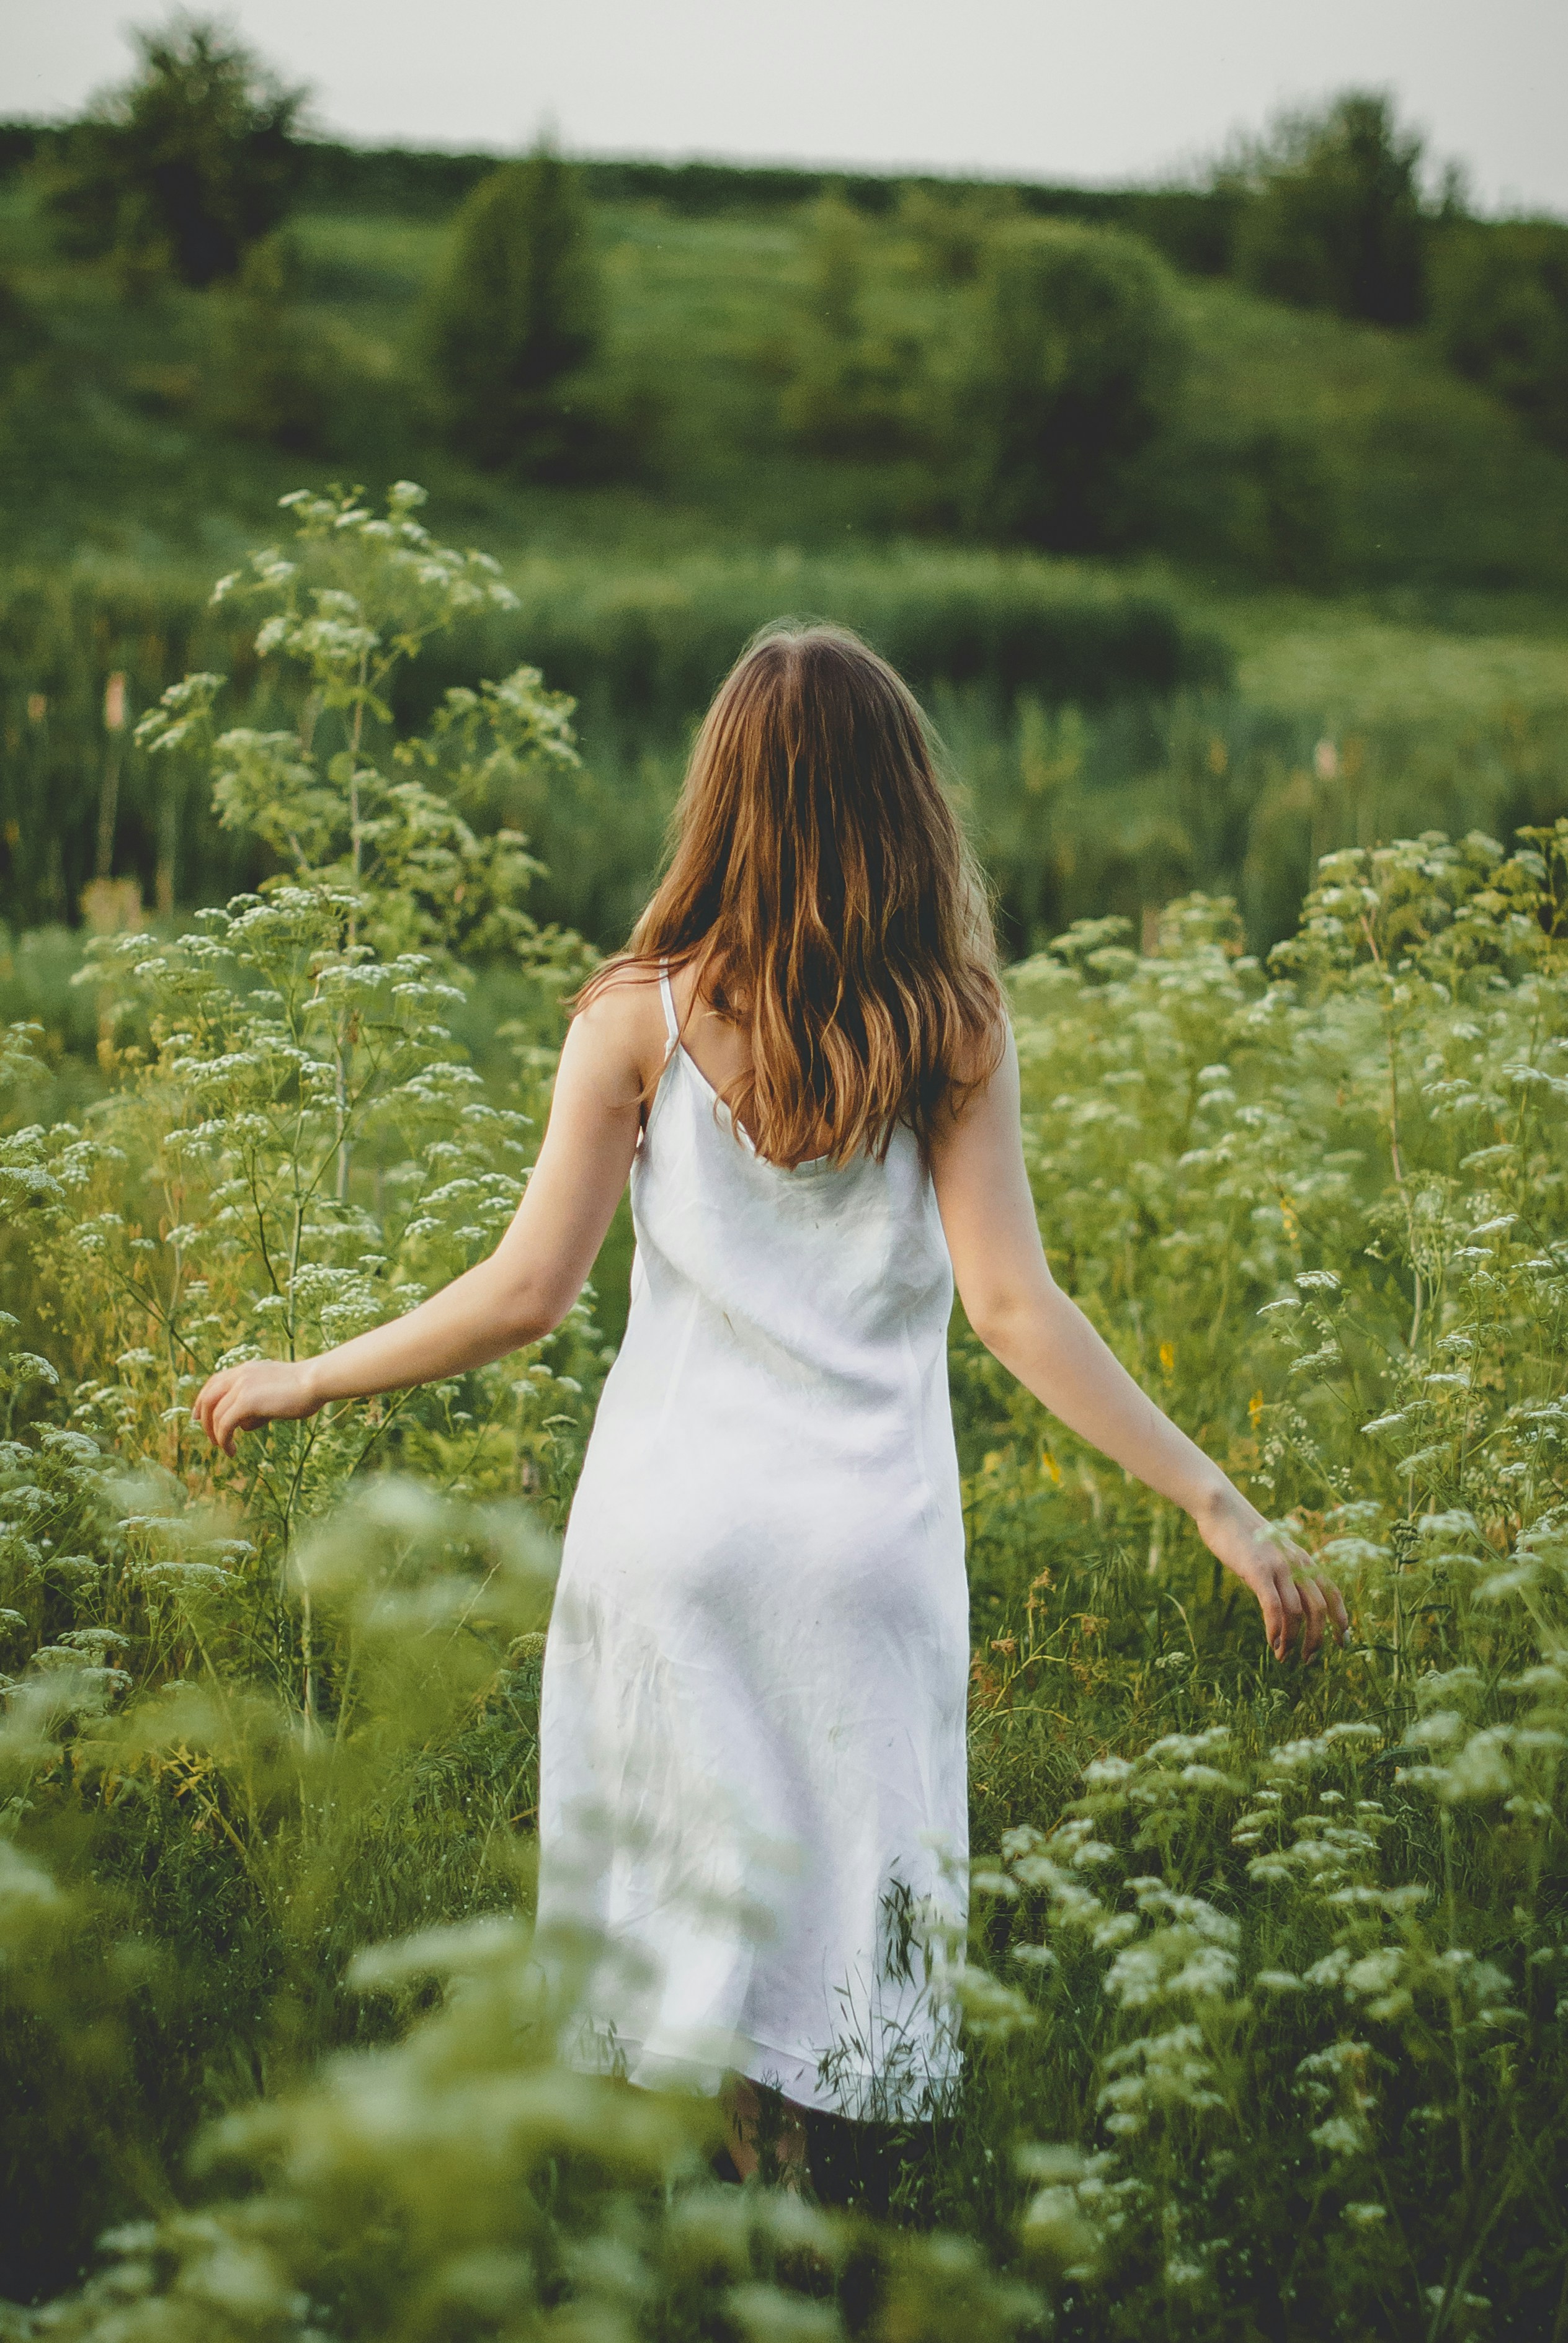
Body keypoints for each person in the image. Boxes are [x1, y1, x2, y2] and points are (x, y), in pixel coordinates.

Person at [194, 623, 1347, 2187]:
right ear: (903, 802)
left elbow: (528, 1294)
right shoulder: (951, 1024)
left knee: (695, 1931)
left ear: (721, 796)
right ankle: (820, 2239)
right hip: (860, 1551)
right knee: (847, 1951)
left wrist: (308, 1370)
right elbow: (1016, 1306)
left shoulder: (635, 1017)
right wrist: (1220, 1502)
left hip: (671, 1541)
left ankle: (708, 2237)